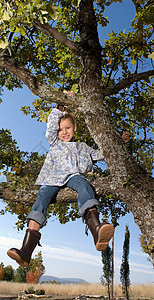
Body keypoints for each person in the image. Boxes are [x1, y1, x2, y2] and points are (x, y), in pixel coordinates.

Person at [7, 100, 121, 268]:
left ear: (74, 128)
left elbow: (101, 154)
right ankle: (25, 252)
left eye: (67, 127)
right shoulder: (55, 142)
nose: (64, 132)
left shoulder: (82, 146)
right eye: (61, 129)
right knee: (42, 198)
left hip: (73, 176)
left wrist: (120, 141)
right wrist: (60, 107)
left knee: (84, 187)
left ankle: (96, 230)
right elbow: (51, 128)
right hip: (51, 178)